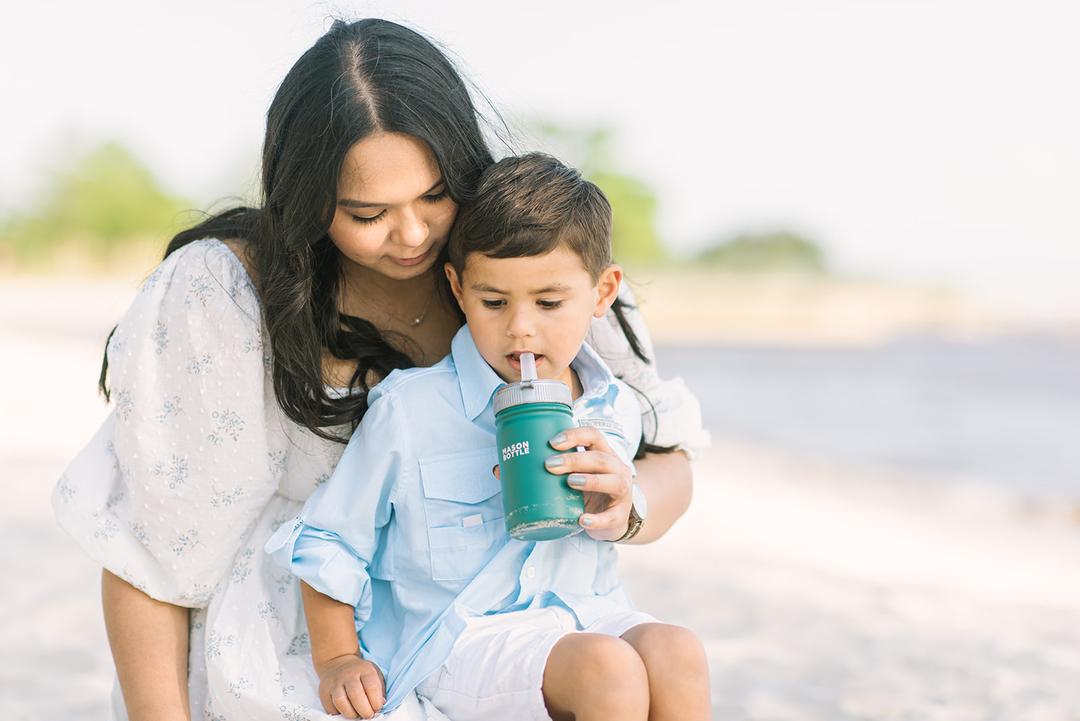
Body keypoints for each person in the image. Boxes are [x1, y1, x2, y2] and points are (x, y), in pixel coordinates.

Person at [52, 18, 708, 721]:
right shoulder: (226, 291)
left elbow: (663, 452)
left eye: (434, 196)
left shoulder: (531, 266)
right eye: (368, 212)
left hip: (540, 621)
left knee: (662, 658)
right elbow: (154, 556)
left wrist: (625, 502)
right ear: (308, 199)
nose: (415, 235)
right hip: (304, 655)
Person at [267, 153, 711, 721]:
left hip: (588, 614)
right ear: (457, 287)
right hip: (464, 636)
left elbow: (647, 501)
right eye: (494, 302)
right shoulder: (414, 409)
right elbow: (331, 539)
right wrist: (337, 660)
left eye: (549, 303)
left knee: (678, 651)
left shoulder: (614, 408)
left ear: (602, 293)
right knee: (609, 670)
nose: (521, 327)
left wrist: (624, 503)